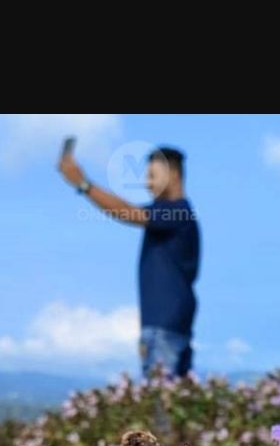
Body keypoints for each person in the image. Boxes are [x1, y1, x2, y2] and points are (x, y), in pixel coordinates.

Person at [59, 145, 200, 379]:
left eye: (152, 176)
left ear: (173, 174)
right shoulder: (179, 215)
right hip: (176, 326)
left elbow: (127, 211)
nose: (147, 183)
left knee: (160, 405)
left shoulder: (177, 213)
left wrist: (83, 184)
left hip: (162, 328)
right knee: (176, 403)